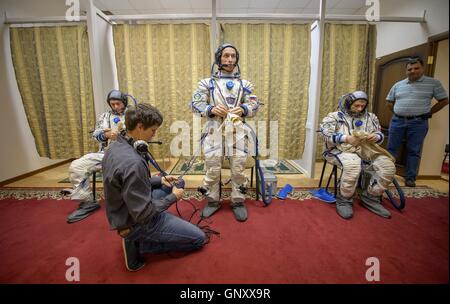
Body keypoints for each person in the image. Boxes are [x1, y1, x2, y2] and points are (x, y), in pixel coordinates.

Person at [102, 103, 206, 272]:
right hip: (136, 221)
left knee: (175, 183)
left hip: (124, 208)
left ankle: (135, 234)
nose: (154, 135)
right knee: (198, 239)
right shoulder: (133, 163)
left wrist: (159, 181)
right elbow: (143, 213)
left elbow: (126, 185)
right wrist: (174, 198)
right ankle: (139, 243)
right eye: (153, 130)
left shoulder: (116, 146)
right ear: (140, 127)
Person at [190, 43, 261, 222]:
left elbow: (254, 104)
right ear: (218, 58)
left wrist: (244, 109)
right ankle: (213, 201)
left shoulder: (245, 84)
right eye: (226, 56)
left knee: (238, 167)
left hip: (237, 131)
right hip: (214, 130)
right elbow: (195, 104)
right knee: (213, 166)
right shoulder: (207, 83)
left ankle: (238, 201)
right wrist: (211, 108)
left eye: (233, 56)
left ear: (237, 59)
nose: (230, 60)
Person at [319, 91, 396, 220]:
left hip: (366, 150)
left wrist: (375, 137)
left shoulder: (371, 118)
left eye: (362, 106)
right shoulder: (334, 117)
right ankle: (344, 200)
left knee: (388, 166)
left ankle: (370, 197)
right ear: (349, 103)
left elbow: (380, 134)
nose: (360, 108)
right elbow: (324, 134)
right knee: (353, 166)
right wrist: (346, 138)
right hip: (338, 150)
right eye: (356, 105)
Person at [386, 57, 448, 187]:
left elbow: (444, 100)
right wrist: (399, 112)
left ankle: (410, 178)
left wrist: (430, 112)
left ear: (422, 68)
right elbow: (389, 102)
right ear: (406, 71)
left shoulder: (433, 83)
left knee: (414, 151)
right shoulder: (398, 85)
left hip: (418, 123)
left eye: (416, 68)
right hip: (397, 121)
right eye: (410, 69)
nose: (412, 71)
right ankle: (386, 174)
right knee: (391, 149)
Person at [66, 90, 127, 223]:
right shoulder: (104, 117)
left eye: (118, 104)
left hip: (127, 155)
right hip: (105, 154)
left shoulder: (132, 115)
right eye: (112, 104)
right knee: (77, 166)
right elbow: (96, 134)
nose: (115, 107)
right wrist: (105, 135)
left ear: (124, 103)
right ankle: (87, 202)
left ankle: (130, 199)